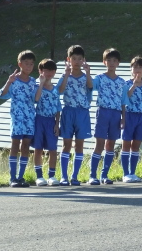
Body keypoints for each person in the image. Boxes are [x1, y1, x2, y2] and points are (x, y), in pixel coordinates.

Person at [0, 50, 39, 187]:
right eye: (26, 63)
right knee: (15, 144)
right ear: (20, 64)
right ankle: (12, 178)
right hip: (17, 117)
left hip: (30, 117)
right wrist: (8, 82)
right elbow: (2, 94)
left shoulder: (33, 81)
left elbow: (36, 98)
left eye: (31, 64)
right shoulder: (14, 80)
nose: (29, 66)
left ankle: (21, 177)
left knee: (26, 145)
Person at [88, 48, 127, 185]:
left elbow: (123, 101)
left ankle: (104, 175)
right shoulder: (99, 78)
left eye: (114, 60)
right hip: (103, 112)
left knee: (111, 144)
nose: (111, 63)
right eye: (109, 60)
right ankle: (92, 175)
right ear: (104, 62)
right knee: (99, 143)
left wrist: (123, 118)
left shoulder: (122, 82)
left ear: (118, 63)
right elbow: (90, 86)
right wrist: (87, 72)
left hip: (116, 113)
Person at [57, 44, 92, 186]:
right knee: (66, 144)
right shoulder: (65, 75)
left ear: (83, 60)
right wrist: (66, 74)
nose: (77, 62)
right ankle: (64, 176)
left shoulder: (85, 76)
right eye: (74, 58)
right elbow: (60, 90)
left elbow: (90, 87)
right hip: (68, 111)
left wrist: (88, 72)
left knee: (79, 145)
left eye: (80, 59)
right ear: (68, 60)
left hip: (82, 112)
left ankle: (75, 176)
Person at [122, 56, 142, 183]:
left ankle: (132, 173)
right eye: (135, 67)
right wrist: (134, 85)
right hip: (129, 115)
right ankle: (125, 174)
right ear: (131, 69)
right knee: (126, 145)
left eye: (140, 67)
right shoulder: (126, 84)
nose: (138, 70)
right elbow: (125, 99)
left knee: (136, 146)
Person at [32, 58, 61, 186]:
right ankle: (39, 176)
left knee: (53, 149)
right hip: (39, 119)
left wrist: (57, 124)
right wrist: (41, 84)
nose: (49, 73)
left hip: (51, 121)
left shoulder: (55, 89)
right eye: (46, 70)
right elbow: (36, 99)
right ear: (40, 71)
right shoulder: (36, 86)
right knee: (38, 148)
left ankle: (52, 176)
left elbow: (58, 108)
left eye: (52, 70)